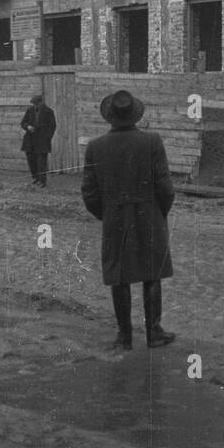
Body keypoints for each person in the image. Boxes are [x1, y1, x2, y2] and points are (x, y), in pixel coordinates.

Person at [80, 89, 176, 352]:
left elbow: (89, 192)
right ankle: (154, 332)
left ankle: (124, 337)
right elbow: (165, 187)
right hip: (149, 215)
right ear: (135, 115)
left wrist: (108, 213)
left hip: (115, 218)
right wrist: (159, 213)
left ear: (110, 116)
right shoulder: (152, 142)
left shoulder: (96, 147)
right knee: (152, 274)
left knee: (119, 277)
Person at [20, 93, 56, 188]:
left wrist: (47, 138)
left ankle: (42, 181)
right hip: (30, 140)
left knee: (41, 162)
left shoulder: (49, 112)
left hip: (42, 141)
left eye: (36, 104)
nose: (34, 106)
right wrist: (28, 127)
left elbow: (52, 127)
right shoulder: (29, 110)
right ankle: (35, 178)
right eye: (33, 104)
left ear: (41, 103)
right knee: (31, 161)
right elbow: (23, 122)